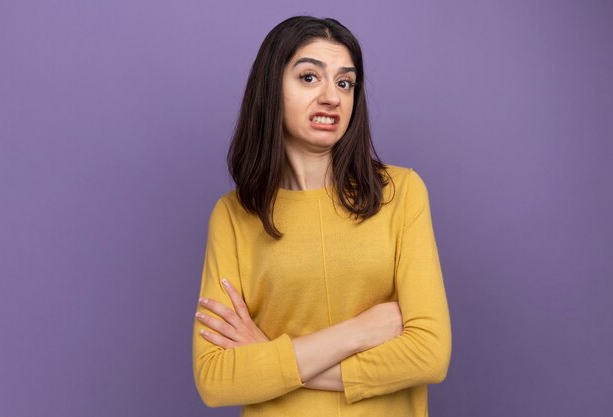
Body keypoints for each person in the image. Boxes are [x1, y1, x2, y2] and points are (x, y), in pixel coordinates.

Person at [192, 16, 451, 416]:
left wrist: (266, 356)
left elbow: (430, 354)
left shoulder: (400, 193)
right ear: (271, 88)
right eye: (310, 77)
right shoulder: (232, 216)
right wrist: (359, 332)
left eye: (345, 83)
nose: (332, 96)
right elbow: (215, 378)